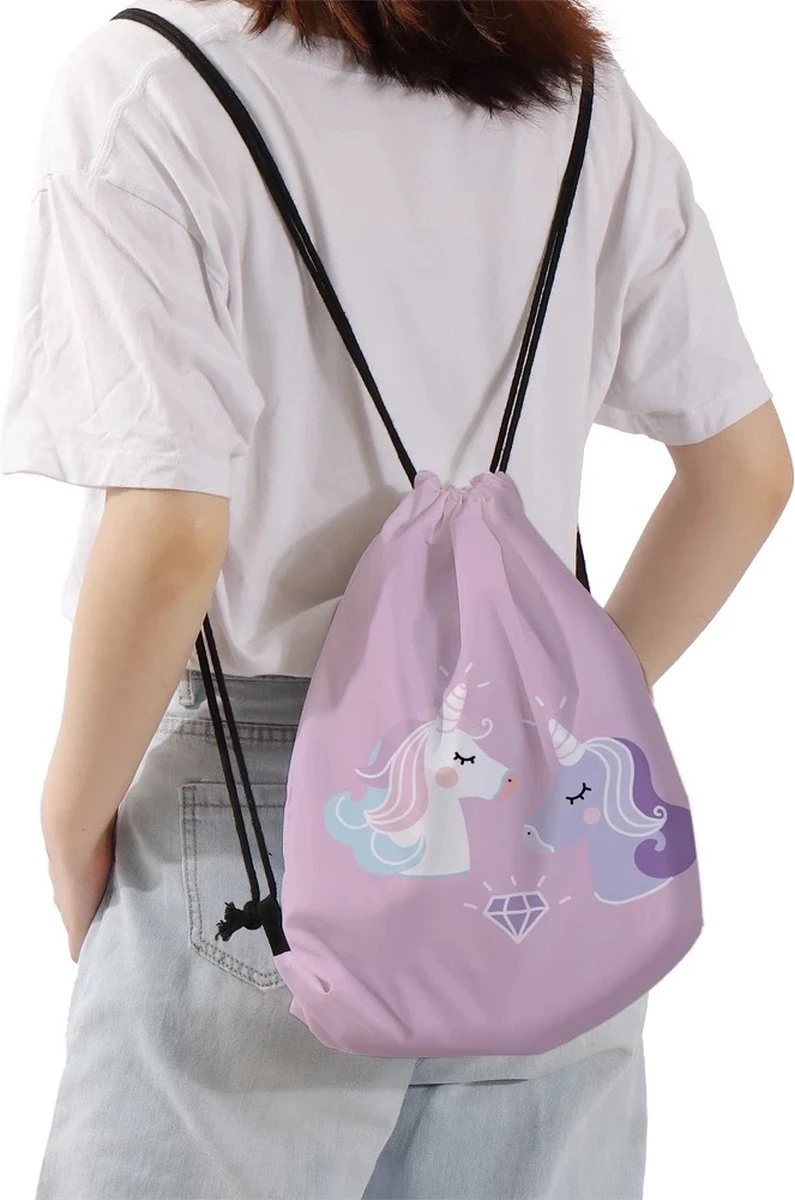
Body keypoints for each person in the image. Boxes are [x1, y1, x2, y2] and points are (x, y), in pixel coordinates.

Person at [0, 1, 790, 1197]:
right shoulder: (582, 103)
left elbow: (170, 536)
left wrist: (72, 823)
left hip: (261, 807)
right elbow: (746, 473)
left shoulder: (152, 87)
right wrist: (550, 721)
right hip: (544, 840)